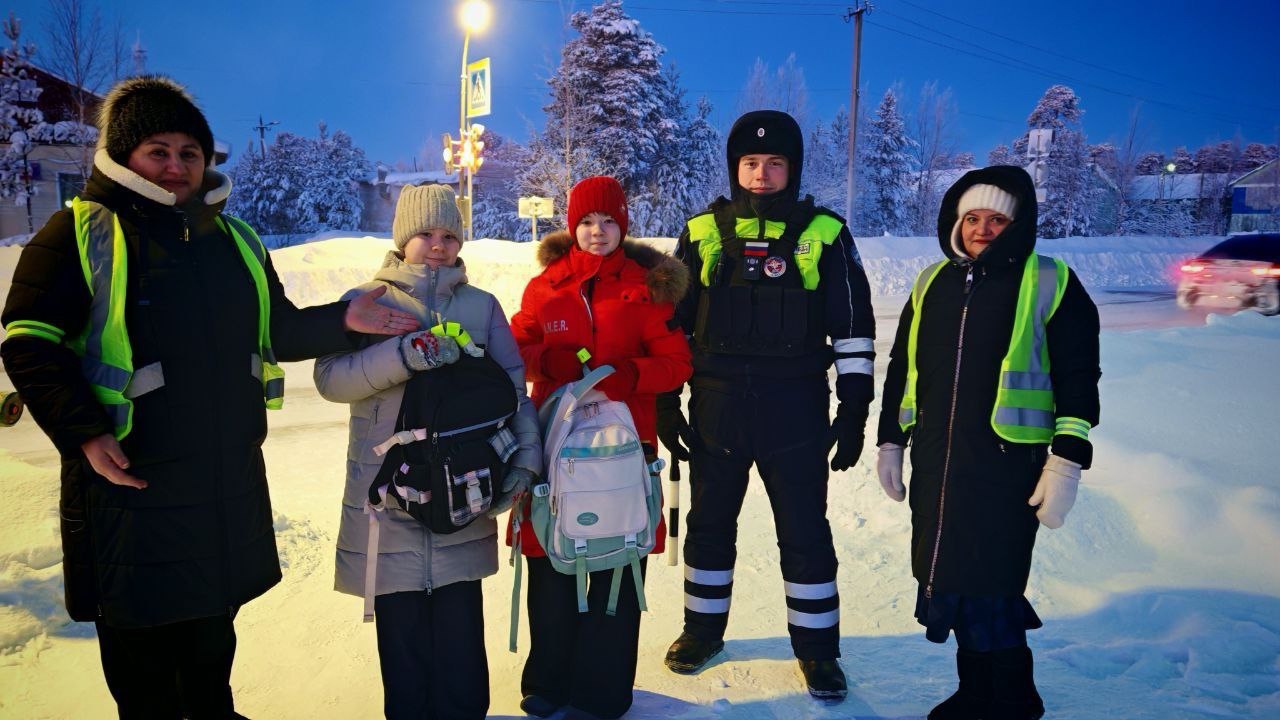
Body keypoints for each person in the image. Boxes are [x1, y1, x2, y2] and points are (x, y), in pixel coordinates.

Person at [0, 76, 415, 718]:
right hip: (132, 484)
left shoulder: (235, 241)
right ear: (123, 154)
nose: (175, 167)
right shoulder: (80, 230)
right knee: (144, 655)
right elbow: (28, 340)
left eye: (188, 153)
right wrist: (83, 429)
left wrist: (343, 319)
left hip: (223, 479)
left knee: (211, 636)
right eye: (157, 151)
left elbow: (275, 329)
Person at [657, 110, 876, 700]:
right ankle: (702, 631)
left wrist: (853, 412)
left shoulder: (826, 233)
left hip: (795, 409)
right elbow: (669, 327)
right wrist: (663, 401)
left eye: (774, 163)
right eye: (750, 163)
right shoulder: (702, 231)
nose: (761, 174)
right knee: (707, 527)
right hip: (717, 406)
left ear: (792, 169)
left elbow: (853, 331)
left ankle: (818, 652)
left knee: (805, 531)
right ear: (735, 168)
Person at [874, 165, 1101, 720]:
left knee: (991, 584)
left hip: (1005, 468)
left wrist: (1067, 460)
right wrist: (889, 440)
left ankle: (1015, 699)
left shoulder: (1049, 280)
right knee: (949, 577)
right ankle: (977, 692)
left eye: (996, 218)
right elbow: (904, 365)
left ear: (1017, 223)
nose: (982, 228)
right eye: (972, 217)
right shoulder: (932, 282)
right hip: (937, 462)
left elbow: (1078, 374)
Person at [313, 183, 541, 719]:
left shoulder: (482, 306)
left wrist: (525, 457)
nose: (437, 246)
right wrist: (403, 355)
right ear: (401, 237)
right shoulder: (367, 301)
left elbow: (513, 386)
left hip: (467, 485)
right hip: (389, 492)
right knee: (403, 630)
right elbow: (330, 380)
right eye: (424, 234)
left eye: (448, 235)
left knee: (461, 623)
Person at [508, 176, 691, 719]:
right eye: (586, 221)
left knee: (617, 560)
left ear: (623, 225)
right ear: (572, 226)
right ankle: (549, 681)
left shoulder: (646, 286)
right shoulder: (546, 287)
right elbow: (515, 347)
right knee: (550, 557)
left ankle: (603, 688)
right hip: (552, 444)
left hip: (622, 448)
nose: (596, 231)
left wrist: (627, 374)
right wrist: (546, 361)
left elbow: (677, 363)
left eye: (608, 221)